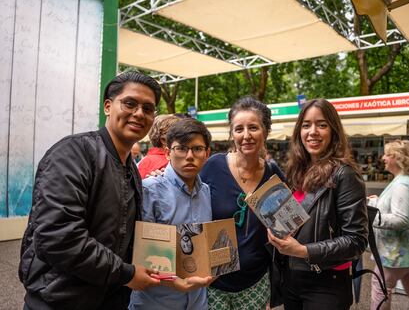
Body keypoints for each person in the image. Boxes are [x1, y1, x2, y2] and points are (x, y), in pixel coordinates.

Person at [18, 71, 162, 310]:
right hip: (60, 299)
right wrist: (126, 274)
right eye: (130, 103)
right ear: (108, 106)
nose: (139, 113)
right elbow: (58, 236)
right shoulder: (73, 153)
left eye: (148, 109)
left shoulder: (131, 170)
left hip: (110, 298)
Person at [267, 98, 368, 310]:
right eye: (306, 125)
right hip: (292, 277)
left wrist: (304, 251)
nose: (312, 131)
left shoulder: (345, 174)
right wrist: (275, 229)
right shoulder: (296, 172)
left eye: (321, 125)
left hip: (326, 283)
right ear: (299, 132)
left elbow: (356, 241)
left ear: (333, 131)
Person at [200, 96, 285, 309]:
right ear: (232, 134)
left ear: (265, 131)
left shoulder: (273, 174)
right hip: (214, 282)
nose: (246, 135)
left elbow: (285, 222)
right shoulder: (212, 167)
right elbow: (185, 197)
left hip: (255, 282)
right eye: (239, 129)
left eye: (253, 128)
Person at [129, 118, 214, 309]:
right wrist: (176, 282)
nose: (189, 156)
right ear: (168, 152)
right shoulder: (150, 190)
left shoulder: (206, 191)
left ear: (207, 153)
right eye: (181, 148)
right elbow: (144, 256)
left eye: (197, 149)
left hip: (198, 303)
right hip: (156, 303)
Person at [370, 140, 409, 310]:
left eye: (388, 154)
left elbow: (401, 219)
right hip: (407, 252)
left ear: (397, 158)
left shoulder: (401, 185)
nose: (383, 158)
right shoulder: (407, 180)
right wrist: (377, 202)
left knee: (380, 288)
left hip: (394, 254)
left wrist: (370, 217)